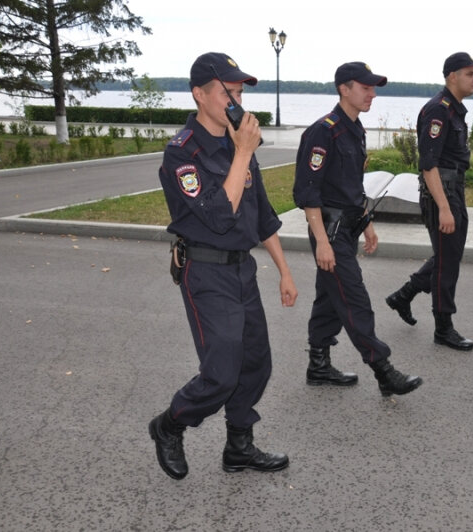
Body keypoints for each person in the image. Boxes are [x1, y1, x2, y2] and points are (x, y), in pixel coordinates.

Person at [148, 52, 298, 480]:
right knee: (221, 371)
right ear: (199, 94)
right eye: (228, 93)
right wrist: (241, 153)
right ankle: (170, 424)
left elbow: (262, 215)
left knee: (256, 362)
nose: (237, 102)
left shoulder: (239, 148)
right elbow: (218, 214)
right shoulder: (181, 154)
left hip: (241, 269)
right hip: (206, 271)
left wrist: (285, 271)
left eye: (239, 94)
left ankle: (239, 447)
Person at [292, 61, 423, 396]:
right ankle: (384, 370)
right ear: (344, 89)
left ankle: (318, 365)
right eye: (365, 88)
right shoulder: (324, 131)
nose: (372, 94)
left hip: (347, 229)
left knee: (329, 298)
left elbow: (352, 187)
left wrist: (367, 224)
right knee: (354, 300)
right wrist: (321, 241)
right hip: (330, 232)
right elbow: (308, 193)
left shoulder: (355, 129)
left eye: (373, 88)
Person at [385, 52, 473, 351]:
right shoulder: (437, 111)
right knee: (447, 264)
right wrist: (443, 207)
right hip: (440, 193)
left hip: (454, 189)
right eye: (470, 73)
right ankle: (443, 328)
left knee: (449, 256)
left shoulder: (455, 110)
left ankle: (403, 295)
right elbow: (428, 165)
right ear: (452, 76)